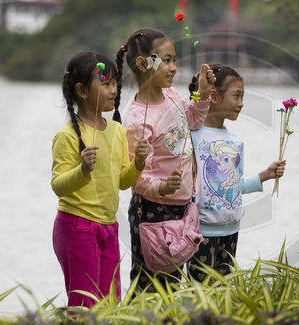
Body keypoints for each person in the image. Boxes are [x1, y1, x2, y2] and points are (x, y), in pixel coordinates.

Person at [116, 28, 216, 289]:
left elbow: (192, 121)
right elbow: (137, 178)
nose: (173, 68)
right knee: (150, 286)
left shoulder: (172, 96)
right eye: (167, 60)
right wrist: (162, 187)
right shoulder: (138, 120)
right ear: (143, 63)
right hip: (153, 211)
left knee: (171, 285)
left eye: (174, 61)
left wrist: (203, 93)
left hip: (182, 206)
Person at [51, 51, 149, 307]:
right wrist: (82, 170)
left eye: (114, 83)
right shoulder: (68, 136)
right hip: (76, 227)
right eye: (105, 83)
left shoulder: (117, 131)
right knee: (85, 306)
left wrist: (138, 163)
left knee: (110, 305)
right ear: (82, 91)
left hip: (108, 227)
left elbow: (122, 182)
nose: (113, 90)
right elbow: (58, 186)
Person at [187, 64, 286, 281]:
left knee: (223, 290)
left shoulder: (235, 142)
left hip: (231, 229)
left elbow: (235, 184)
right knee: (200, 290)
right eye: (236, 96)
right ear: (212, 96)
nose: (241, 104)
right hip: (200, 231)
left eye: (243, 97)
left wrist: (264, 175)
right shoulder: (192, 136)